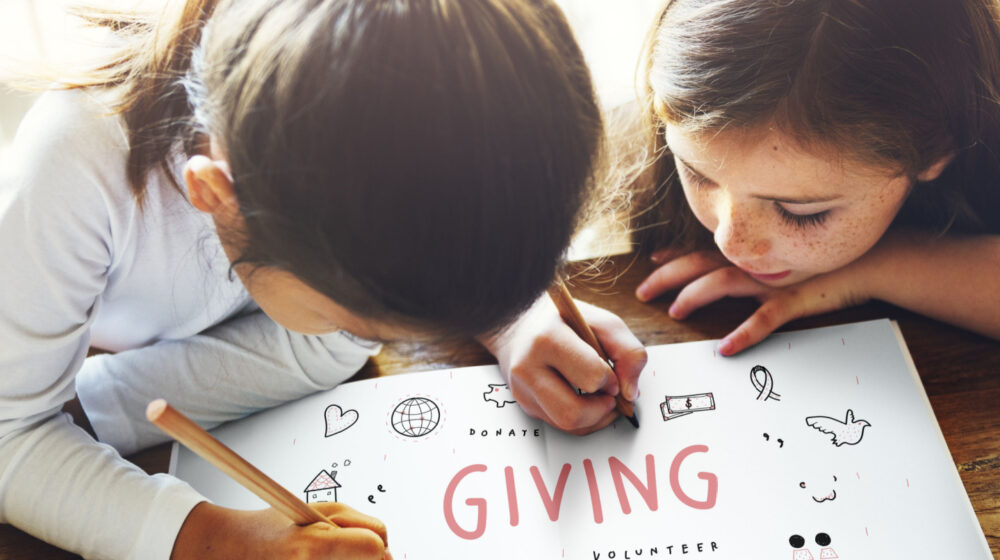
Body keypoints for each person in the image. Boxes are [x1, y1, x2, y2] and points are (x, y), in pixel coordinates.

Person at [0, 0, 646, 558]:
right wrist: (208, 540)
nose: (365, 336)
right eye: (355, 318)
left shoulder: (424, 81)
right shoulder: (72, 168)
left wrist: (509, 317)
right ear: (215, 196)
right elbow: (8, 438)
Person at [631, 0, 1000, 355]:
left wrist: (873, 269)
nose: (732, 244)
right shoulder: (631, 141)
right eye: (697, 175)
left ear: (936, 152)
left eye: (800, 213)